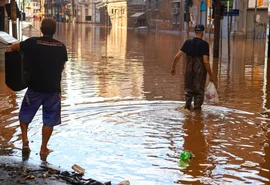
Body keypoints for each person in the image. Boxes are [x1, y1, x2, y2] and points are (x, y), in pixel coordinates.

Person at [9, 18, 68, 156]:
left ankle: (25, 141)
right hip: (53, 89)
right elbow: (61, 67)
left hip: (34, 87)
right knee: (49, 120)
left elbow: (15, 47)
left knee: (25, 114)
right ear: (55, 31)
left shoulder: (32, 42)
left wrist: (11, 50)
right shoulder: (61, 47)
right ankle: (43, 149)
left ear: (41, 29)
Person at [171, 24, 213, 110]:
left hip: (188, 72)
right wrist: (210, 74)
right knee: (198, 94)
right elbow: (205, 61)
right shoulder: (204, 44)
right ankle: (197, 117)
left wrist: (173, 67)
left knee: (188, 93)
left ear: (195, 32)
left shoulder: (187, 42)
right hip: (199, 74)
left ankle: (187, 114)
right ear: (202, 33)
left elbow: (177, 56)